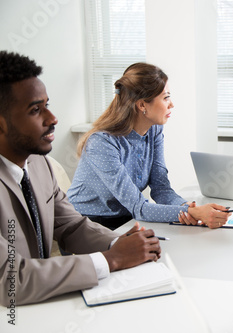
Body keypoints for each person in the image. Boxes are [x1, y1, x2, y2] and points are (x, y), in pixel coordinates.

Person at [0, 51, 161, 306]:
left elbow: (71, 226)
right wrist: (111, 259)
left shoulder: (38, 163)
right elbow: (11, 281)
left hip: (37, 306)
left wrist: (119, 243)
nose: (52, 119)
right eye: (35, 110)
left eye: (47, 105)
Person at [67, 62, 229, 230]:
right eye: (166, 97)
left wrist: (188, 208)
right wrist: (192, 213)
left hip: (126, 218)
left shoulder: (154, 130)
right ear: (142, 105)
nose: (171, 104)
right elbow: (140, 208)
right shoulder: (102, 143)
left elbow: (161, 189)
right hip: (86, 223)